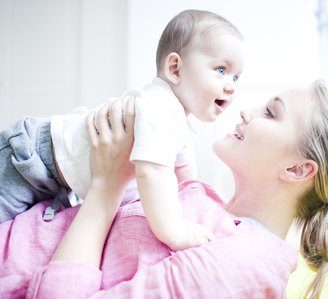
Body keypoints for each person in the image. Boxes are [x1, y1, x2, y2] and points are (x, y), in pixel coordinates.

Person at [0, 80, 328, 299]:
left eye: (271, 113)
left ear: (297, 169)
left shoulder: (240, 266)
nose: (246, 111)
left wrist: (105, 187)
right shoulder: (209, 208)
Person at [0, 10, 245, 250]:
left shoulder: (179, 119)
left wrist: (197, 203)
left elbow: (185, 176)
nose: (231, 86)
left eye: (236, 77)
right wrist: (175, 231)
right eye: (221, 70)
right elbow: (152, 174)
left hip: (57, 177)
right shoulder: (160, 108)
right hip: (29, 158)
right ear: (175, 69)